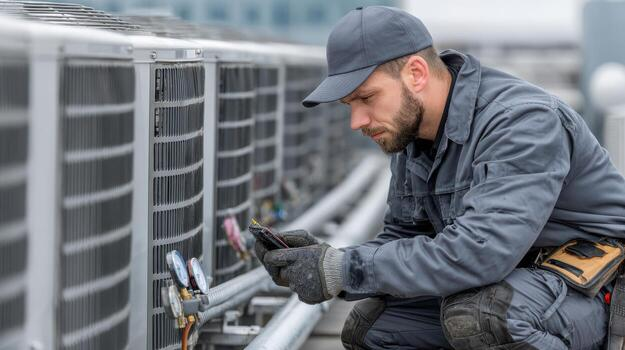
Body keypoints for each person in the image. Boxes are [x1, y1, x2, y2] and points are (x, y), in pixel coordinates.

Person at [253, 6, 625, 350]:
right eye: (350, 106)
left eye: (367, 98)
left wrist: (343, 270)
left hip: (596, 292)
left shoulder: (522, 122)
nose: (357, 121)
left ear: (416, 73)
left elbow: (482, 251)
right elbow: (404, 239)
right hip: (516, 283)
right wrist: (328, 259)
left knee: (481, 320)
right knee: (375, 329)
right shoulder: (413, 135)